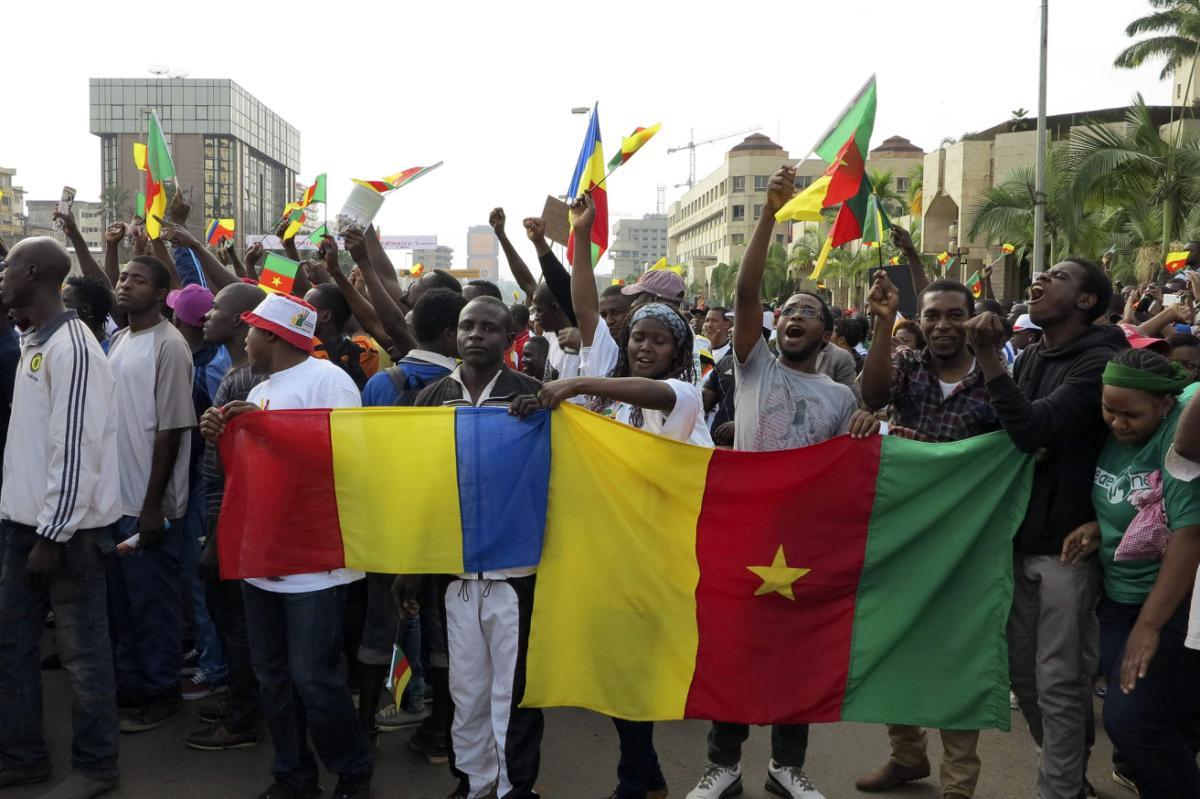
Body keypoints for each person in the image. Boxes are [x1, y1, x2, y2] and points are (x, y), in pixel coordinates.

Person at [518, 194, 710, 799]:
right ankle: (645, 772)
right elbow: (584, 307)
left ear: (678, 352)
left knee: (633, 665)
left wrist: (576, 380)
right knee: (613, 659)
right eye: (638, 339)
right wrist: (576, 238)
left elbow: (644, 391)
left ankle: (635, 778)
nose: (644, 347)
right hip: (603, 545)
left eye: (658, 341)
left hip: (659, 552)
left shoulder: (683, 396)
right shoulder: (618, 378)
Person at [688, 166, 854, 799]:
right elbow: (750, 288)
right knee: (735, 646)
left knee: (797, 652)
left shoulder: (840, 394)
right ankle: (722, 764)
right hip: (746, 530)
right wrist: (769, 214)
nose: (794, 315)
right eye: (788, 309)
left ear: (826, 333)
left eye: (809, 312)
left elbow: (847, 472)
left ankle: (788, 767)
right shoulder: (753, 369)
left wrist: (864, 425)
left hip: (804, 540)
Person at [962, 257, 1125, 799]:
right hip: (1020, 537)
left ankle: (1058, 790)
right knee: (1025, 678)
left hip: (1066, 550)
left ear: (1086, 302)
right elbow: (1008, 426)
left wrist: (987, 357)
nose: (1040, 280)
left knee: (1059, 680)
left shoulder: (1101, 361)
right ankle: (1069, 775)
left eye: (1057, 277)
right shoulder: (1032, 357)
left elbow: (1031, 430)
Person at [200, 292, 372, 799]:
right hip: (264, 556)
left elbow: (347, 462)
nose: (245, 338)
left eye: (251, 330)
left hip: (316, 564)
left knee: (314, 678)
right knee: (272, 676)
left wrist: (265, 433)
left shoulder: (329, 381)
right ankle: (293, 776)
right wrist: (223, 433)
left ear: (271, 336)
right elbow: (255, 474)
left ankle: (352, 770)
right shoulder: (261, 390)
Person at [851, 273, 1001, 799]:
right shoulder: (907, 365)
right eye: (932, 315)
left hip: (966, 544)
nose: (942, 326)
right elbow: (871, 395)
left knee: (956, 656)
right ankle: (907, 757)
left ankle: (959, 781)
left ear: (971, 319)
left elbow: (1019, 443)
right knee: (895, 647)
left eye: (954, 315)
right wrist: (883, 322)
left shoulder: (995, 376)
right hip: (904, 534)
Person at [0, 237, 121, 799]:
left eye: (5, 266)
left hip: (64, 536)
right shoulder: (33, 339)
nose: (0, 275)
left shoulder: (75, 348)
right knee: (13, 646)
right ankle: (23, 757)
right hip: (23, 526)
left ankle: (96, 767)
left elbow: (75, 450)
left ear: (31, 271)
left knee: (83, 657)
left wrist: (49, 535)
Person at [409, 296, 543, 799]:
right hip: (455, 570)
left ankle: (515, 787)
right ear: (454, 333)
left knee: (514, 692)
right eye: (468, 326)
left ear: (508, 340)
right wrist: (413, 566)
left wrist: (546, 411)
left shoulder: (532, 396)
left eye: (490, 327)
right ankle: (474, 781)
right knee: (464, 689)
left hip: (516, 569)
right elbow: (420, 483)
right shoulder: (430, 397)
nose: (477, 335)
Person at [1060, 348, 1200, 795]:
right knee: (1155, 722)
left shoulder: (1177, 439)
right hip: (1118, 600)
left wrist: (1150, 626)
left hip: (1167, 605)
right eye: (1109, 409)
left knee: (1133, 723)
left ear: (1164, 405)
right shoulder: (1109, 435)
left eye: (1131, 415)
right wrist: (1099, 529)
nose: (1117, 423)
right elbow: (1133, 506)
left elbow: (1188, 536)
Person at [356, 287, 466, 746]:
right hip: (448, 525)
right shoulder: (466, 386)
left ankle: (364, 734)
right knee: (444, 628)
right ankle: (440, 731)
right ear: (451, 335)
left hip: (389, 522)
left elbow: (364, 456)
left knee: (378, 626)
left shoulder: (383, 382)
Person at [107, 254, 197, 733]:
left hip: (149, 505)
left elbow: (171, 429)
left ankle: (161, 693)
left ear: (161, 294)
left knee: (153, 605)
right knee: (123, 604)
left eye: (138, 280)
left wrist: (152, 505)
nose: (125, 285)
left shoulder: (170, 345)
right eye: (123, 277)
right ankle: (132, 686)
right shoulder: (120, 339)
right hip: (114, 500)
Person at [186, 281, 268, 753]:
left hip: (235, 526)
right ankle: (244, 700)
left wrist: (216, 539)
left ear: (241, 321)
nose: (204, 316)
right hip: (234, 523)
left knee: (237, 624)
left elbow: (228, 477)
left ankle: (242, 718)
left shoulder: (241, 382)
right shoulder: (239, 374)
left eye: (215, 308)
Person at [165, 282, 231, 701]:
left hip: (202, 489)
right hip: (195, 487)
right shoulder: (202, 358)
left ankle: (214, 666)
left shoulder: (207, 370)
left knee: (201, 583)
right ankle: (207, 650)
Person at [305, 283, 376, 389]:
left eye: (305, 308)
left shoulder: (305, 354)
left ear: (325, 316)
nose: (299, 313)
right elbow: (358, 330)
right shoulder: (366, 355)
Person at [61, 275, 114, 351]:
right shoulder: (68, 343)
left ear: (86, 309)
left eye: (64, 302)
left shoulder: (108, 352)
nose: (58, 307)